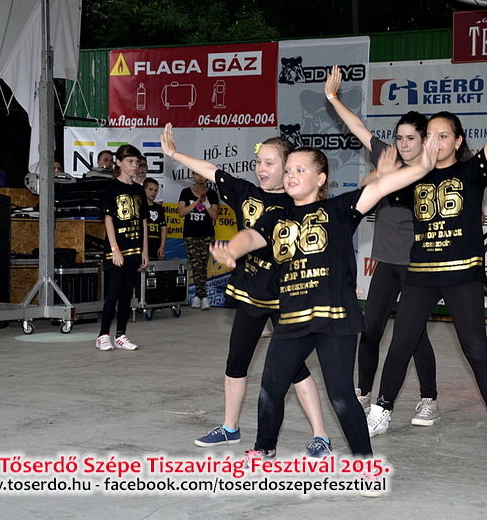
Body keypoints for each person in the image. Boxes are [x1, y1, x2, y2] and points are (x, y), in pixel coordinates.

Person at [209, 135, 437, 468]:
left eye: (300, 170)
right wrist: (232, 249)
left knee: (341, 396)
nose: (291, 176)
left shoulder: (339, 209)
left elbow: (382, 187)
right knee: (271, 387)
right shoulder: (276, 216)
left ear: (320, 179)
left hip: (335, 319)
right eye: (288, 170)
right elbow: (250, 236)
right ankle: (264, 449)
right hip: (293, 319)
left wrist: (424, 166)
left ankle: (365, 465)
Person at [366, 54, 487, 453]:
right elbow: (374, 191)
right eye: (431, 135)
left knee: (475, 348)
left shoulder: (473, 170)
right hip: (421, 274)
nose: (436, 141)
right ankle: (381, 410)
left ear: (458, 141)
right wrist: (382, 174)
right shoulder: (413, 177)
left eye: (444, 135)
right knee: (400, 343)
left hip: (463, 274)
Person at [161, 125, 331, 457]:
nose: (260, 169)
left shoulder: (297, 205)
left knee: (296, 369)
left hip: (285, 299)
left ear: (287, 168)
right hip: (250, 294)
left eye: (269, 163)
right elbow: (210, 170)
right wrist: (174, 154)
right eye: (258, 162)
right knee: (236, 362)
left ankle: (320, 436)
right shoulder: (246, 193)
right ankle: (230, 428)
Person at [325, 66, 439, 426]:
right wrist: (332, 98)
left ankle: (429, 399)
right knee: (370, 330)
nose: (403, 144)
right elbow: (359, 129)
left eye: (410, 138)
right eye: (399, 137)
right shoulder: (387, 159)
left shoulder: (430, 171)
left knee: (414, 336)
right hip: (386, 262)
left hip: (417, 265)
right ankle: (363, 392)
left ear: (424, 140)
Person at [96, 144, 149, 351]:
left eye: (137, 162)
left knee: (127, 293)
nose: (134, 165)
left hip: (135, 248)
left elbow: (143, 220)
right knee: (114, 292)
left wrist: (144, 250)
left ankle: (121, 334)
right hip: (117, 248)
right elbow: (108, 219)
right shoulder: (111, 187)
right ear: (119, 163)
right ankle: (102, 335)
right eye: (130, 161)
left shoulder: (138, 189)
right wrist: (114, 249)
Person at [178, 169, 219, 310]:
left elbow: (214, 216)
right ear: (193, 175)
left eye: (202, 174)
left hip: (207, 234)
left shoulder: (212, 194)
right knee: (196, 265)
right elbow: (181, 212)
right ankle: (203, 296)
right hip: (191, 234)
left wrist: (206, 203)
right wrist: (195, 203)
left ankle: (198, 296)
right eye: (197, 174)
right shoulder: (186, 192)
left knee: (202, 265)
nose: (200, 177)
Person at [144, 178, 167, 260]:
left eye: (156, 190)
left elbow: (163, 228)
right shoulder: (140, 207)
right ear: (144, 189)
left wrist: (162, 246)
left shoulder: (159, 208)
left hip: (156, 245)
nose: (153, 192)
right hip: (143, 246)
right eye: (150, 189)